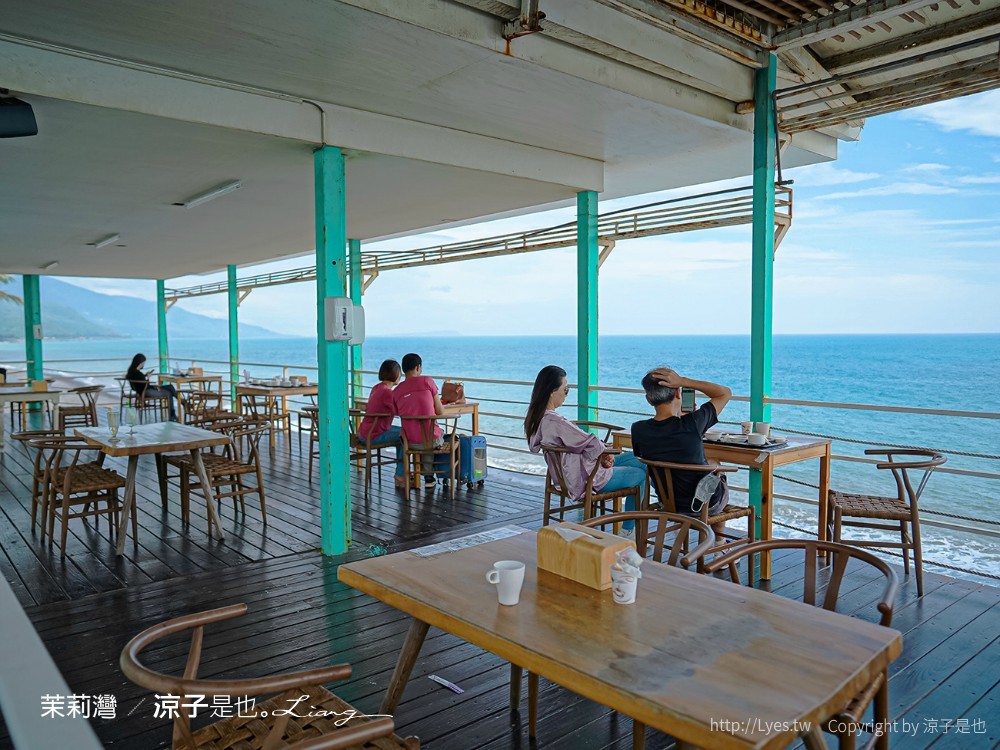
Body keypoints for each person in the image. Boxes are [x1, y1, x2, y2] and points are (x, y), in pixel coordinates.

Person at [524, 365, 645, 537]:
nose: (566, 393)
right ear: (552, 391)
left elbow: (585, 444)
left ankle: (639, 522)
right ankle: (629, 530)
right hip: (585, 479)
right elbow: (592, 443)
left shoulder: (538, 418)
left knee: (641, 459)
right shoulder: (554, 421)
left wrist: (603, 454)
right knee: (641, 474)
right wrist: (605, 453)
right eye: (566, 389)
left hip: (570, 473)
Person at [630, 367, 732, 532]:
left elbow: (665, 442)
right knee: (716, 467)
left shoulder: (638, 429)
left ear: (649, 399)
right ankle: (719, 542)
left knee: (709, 465)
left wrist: (681, 418)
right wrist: (685, 381)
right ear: (678, 394)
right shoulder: (693, 423)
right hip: (702, 506)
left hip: (667, 502)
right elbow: (725, 393)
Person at [392, 352, 447, 485]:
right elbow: (440, 411)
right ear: (418, 367)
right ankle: (428, 476)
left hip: (408, 442)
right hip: (430, 441)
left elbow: (398, 412)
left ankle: (427, 476)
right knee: (433, 435)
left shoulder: (396, 391)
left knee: (422, 434)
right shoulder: (427, 381)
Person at [357, 359, 406, 487]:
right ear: (395, 374)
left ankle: (401, 473)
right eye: (400, 373)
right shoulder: (387, 392)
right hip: (373, 434)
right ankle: (400, 476)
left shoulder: (377, 388)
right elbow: (400, 411)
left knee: (403, 432)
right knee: (405, 434)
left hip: (363, 432)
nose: (401, 376)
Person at [125, 353, 178, 421]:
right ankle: (173, 414)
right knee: (169, 393)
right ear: (140, 363)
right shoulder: (138, 374)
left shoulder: (132, 372)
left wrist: (145, 376)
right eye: (143, 363)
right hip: (147, 392)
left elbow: (139, 382)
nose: (143, 365)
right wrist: (148, 378)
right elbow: (145, 386)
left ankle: (180, 403)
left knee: (170, 387)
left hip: (143, 392)